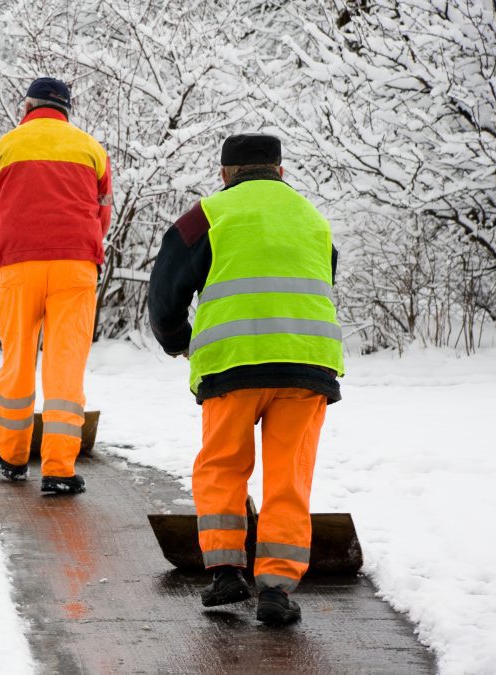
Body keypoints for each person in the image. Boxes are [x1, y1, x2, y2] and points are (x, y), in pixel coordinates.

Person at [147, 134, 344, 625]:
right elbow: (324, 276)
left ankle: (225, 572)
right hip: (306, 364)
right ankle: (276, 589)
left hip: (232, 363)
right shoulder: (312, 218)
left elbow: (166, 289)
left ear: (224, 173)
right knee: (289, 476)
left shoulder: (207, 215)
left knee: (223, 465)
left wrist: (176, 339)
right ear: (280, 171)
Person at [0, 77, 113, 495]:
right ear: (67, 110)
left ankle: (13, 456)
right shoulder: (91, 149)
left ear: (27, 106)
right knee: (65, 365)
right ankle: (58, 469)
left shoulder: (4, 148)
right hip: (75, 265)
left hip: (19, 265)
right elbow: (103, 214)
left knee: (18, 359)